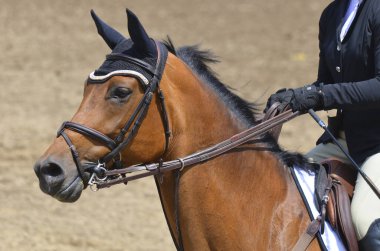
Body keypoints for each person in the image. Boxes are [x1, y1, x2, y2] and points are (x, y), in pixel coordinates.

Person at [265, 0, 380, 249]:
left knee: (363, 220)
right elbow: (325, 84)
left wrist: (317, 95)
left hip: (377, 145)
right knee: (288, 186)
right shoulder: (331, 15)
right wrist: (293, 98)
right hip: (343, 140)